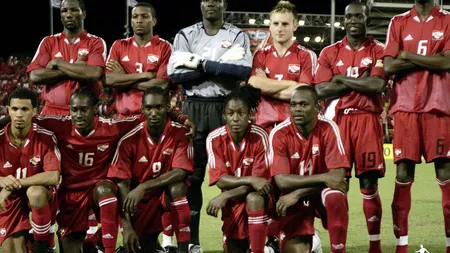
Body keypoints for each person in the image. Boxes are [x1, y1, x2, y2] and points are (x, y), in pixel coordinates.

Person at [167, 0, 252, 251]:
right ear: (201, 4)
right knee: (191, 177)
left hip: (225, 108)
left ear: (224, 4)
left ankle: (234, 239)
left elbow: (241, 70)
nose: (211, 4)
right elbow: (177, 75)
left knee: (232, 176)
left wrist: (199, 64)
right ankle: (192, 241)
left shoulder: (236, 34)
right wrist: (218, 66)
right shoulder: (186, 34)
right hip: (193, 108)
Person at [313, 2, 387, 252]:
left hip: (367, 120)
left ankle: (374, 246)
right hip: (337, 124)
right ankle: (338, 247)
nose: (353, 20)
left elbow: (377, 86)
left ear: (367, 19)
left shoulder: (379, 49)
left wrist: (341, 79)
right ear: (343, 20)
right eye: (348, 17)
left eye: (358, 16)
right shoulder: (328, 52)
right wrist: (361, 80)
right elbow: (321, 90)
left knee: (368, 184)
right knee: (337, 185)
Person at [382, 0, 450, 252]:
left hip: (439, 108)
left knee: (446, 176)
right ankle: (402, 246)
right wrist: (433, 58)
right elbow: (389, 66)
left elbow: (447, 63)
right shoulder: (398, 22)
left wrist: (407, 55)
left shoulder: (447, 20)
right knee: (402, 175)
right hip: (405, 110)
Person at [108, 86, 193, 253]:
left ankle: (184, 249)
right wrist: (127, 228)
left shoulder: (181, 133)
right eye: (149, 108)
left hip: (162, 196)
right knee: (142, 247)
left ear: (168, 107)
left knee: (178, 188)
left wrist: (144, 186)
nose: (153, 113)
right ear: (142, 109)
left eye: (159, 107)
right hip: (138, 201)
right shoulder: (129, 139)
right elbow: (122, 185)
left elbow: (181, 171)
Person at [269, 85, 350, 253]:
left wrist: (298, 192)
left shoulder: (329, 128)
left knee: (335, 196)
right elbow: (282, 181)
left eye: (303, 104)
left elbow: (337, 177)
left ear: (317, 107)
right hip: (290, 198)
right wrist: (323, 178)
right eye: (293, 104)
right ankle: (313, 241)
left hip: (313, 194)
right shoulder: (279, 133)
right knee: (293, 251)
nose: (297, 109)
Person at [205, 85, 271, 253]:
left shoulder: (260, 136)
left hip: (258, 199)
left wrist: (225, 195)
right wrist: (250, 179)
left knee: (254, 197)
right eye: (230, 113)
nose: (235, 118)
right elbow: (220, 179)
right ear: (224, 115)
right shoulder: (214, 139)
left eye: (241, 113)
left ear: (250, 114)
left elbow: (261, 184)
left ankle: (263, 246)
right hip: (233, 203)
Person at [0, 88, 61, 253]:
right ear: (8, 111)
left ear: (35, 111)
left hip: (38, 196)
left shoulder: (45, 137)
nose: (19, 114)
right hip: (9, 200)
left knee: (36, 193)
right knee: (12, 249)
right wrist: (1, 181)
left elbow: (54, 176)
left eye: (24, 109)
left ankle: (43, 246)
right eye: (15, 109)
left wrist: (14, 183)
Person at [26, 0, 106, 117]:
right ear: (61, 16)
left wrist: (57, 63)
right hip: (51, 112)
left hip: (83, 113)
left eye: (74, 10)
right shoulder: (48, 42)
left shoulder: (95, 42)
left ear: (83, 14)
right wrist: (77, 70)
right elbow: (34, 76)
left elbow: (94, 74)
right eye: (64, 11)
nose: (68, 14)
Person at [248, 0, 316, 132]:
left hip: (294, 127)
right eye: (276, 24)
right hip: (263, 127)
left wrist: (267, 86)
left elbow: (303, 94)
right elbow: (253, 84)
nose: (279, 29)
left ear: (295, 26)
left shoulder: (306, 55)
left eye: (285, 24)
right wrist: (292, 84)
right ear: (270, 26)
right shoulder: (260, 55)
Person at [105, 2, 172, 118]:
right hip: (123, 117)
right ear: (131, 21)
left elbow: (162, 85)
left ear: (154, 21)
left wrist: (124, 78)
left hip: (153, 117)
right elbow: (109, 80)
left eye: (144, 17)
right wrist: (144, 75)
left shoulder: (165, 47)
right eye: (135, 17)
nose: (139, 20)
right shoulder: (119, 45)